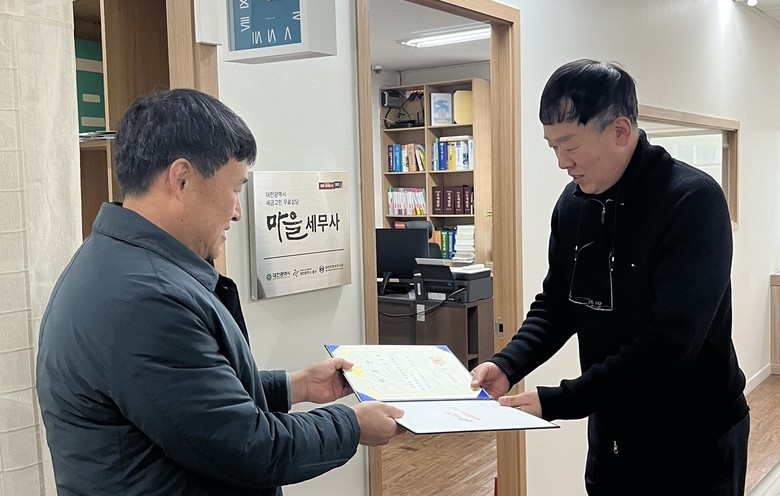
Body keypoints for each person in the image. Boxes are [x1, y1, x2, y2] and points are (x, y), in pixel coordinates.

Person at [36, 88, 404, 495]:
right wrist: (351, 425)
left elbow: (190, 401)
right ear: (181, 179)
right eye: (236, 189)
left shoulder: (113, 260)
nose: (237, 211)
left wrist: (295, 386)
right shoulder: (147, 301)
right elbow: (249, 447)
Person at [470, 59, 749, 495]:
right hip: (613, 434)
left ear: (620, 131)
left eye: (570, 145)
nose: (562, 162)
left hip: (695, 438)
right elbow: (558, 304)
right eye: (552, 147)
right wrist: (508, 364)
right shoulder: (573, 204)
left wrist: (560, 400)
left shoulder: (692, 201)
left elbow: (671, 345)